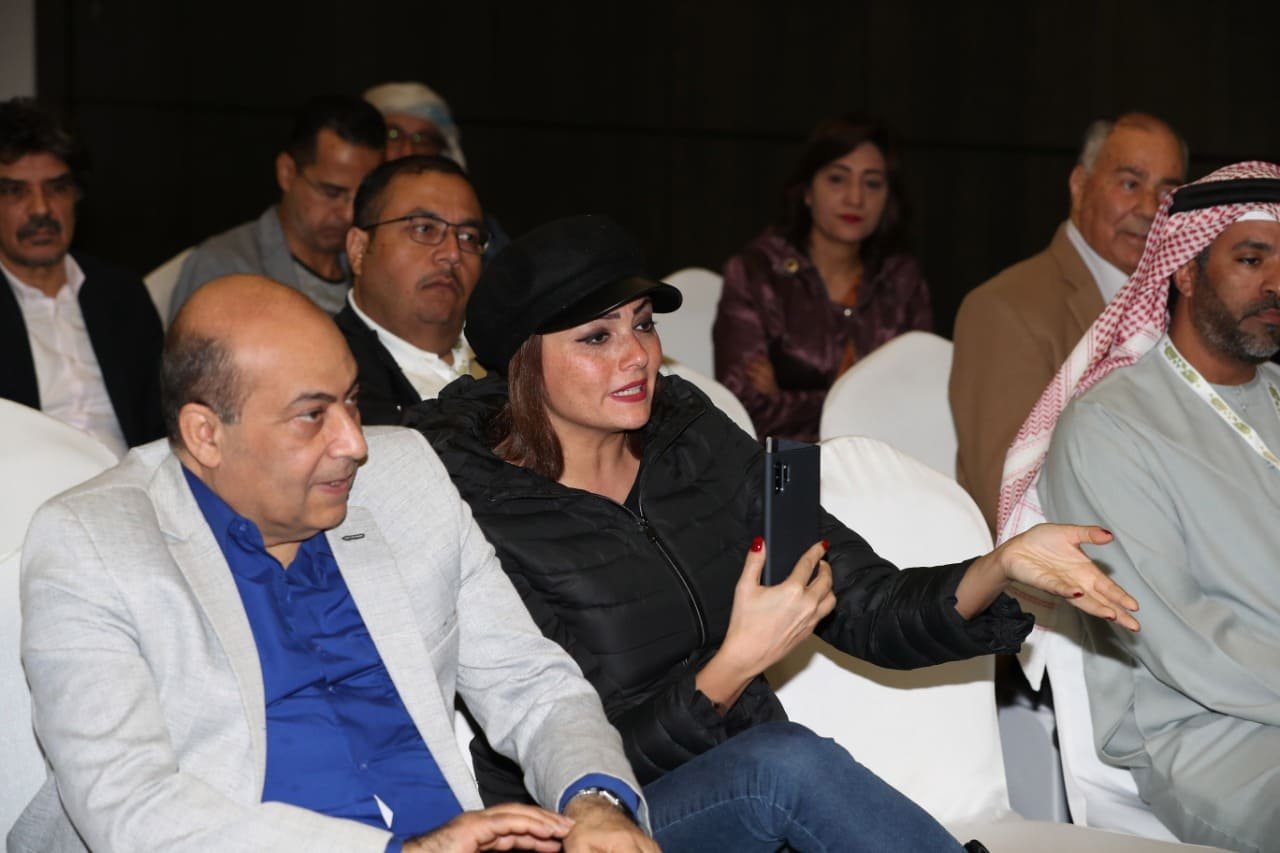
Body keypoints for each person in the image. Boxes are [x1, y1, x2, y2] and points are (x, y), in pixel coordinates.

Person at [409, 214, 1139, 851]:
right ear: (524, 361)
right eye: (597, 336)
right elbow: (553, 742)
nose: (636, 355)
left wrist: (1000, 565)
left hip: (752, 800)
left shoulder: (691, 437)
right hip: (593, 822)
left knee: (781, 768)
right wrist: (731, 668)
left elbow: (867, 602)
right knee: (781, 767)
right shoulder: (477, 506)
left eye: (643, 323)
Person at [12, 274, 657, 853]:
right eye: (311, 416)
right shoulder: (95, 543)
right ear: (206, 434)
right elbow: (133, 807)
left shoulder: (405, 477)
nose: (353, 442)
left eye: (351, 400)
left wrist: (594, 802)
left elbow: (532, 683)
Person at [1003, 161, 1280, 853]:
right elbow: (1179, 634)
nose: (1277, 284)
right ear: (1184, 270)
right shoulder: (1110, 426)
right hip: (1209, 736)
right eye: (1251, 260)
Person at [950, 113, 1186, 534]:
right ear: (1080, 185)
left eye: (1167, 192)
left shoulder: (1186, 307)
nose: (1151, 209)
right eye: (1130, 184)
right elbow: (1009, 496)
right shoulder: (1005, 308)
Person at [713, 114, 931, 442]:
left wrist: (787, 396)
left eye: (872, 183)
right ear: (807, 191)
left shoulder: (902, 279)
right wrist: (860, 401)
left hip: (882, 461)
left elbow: (919, 400)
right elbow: (744, 407)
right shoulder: (756, 273)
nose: (855, 198)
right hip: (783, 463)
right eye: (837, 179)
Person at [0, 97, 163, 457]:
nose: (41, 209)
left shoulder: (121, 293)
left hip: (132, 480)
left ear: (76, 195)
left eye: (57, 188)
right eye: (15, 192)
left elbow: (161, 420)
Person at [168, 95, 385, 320]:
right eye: (331, 193)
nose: (349, 214)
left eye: (362, 196)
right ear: (287, 172)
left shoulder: (372, 268)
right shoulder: (224, 268)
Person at [336, 155, 488, 424]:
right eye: (424, 229)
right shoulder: (326, 379)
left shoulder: (518, 363)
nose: (453, 253)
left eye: (468, 237)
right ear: (359, 250)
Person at [363, 82, 509, 260]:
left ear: (443, 151)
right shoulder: (342, 214)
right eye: (393, 135)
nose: (408, 150)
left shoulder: (477, 226)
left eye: (422, 139)